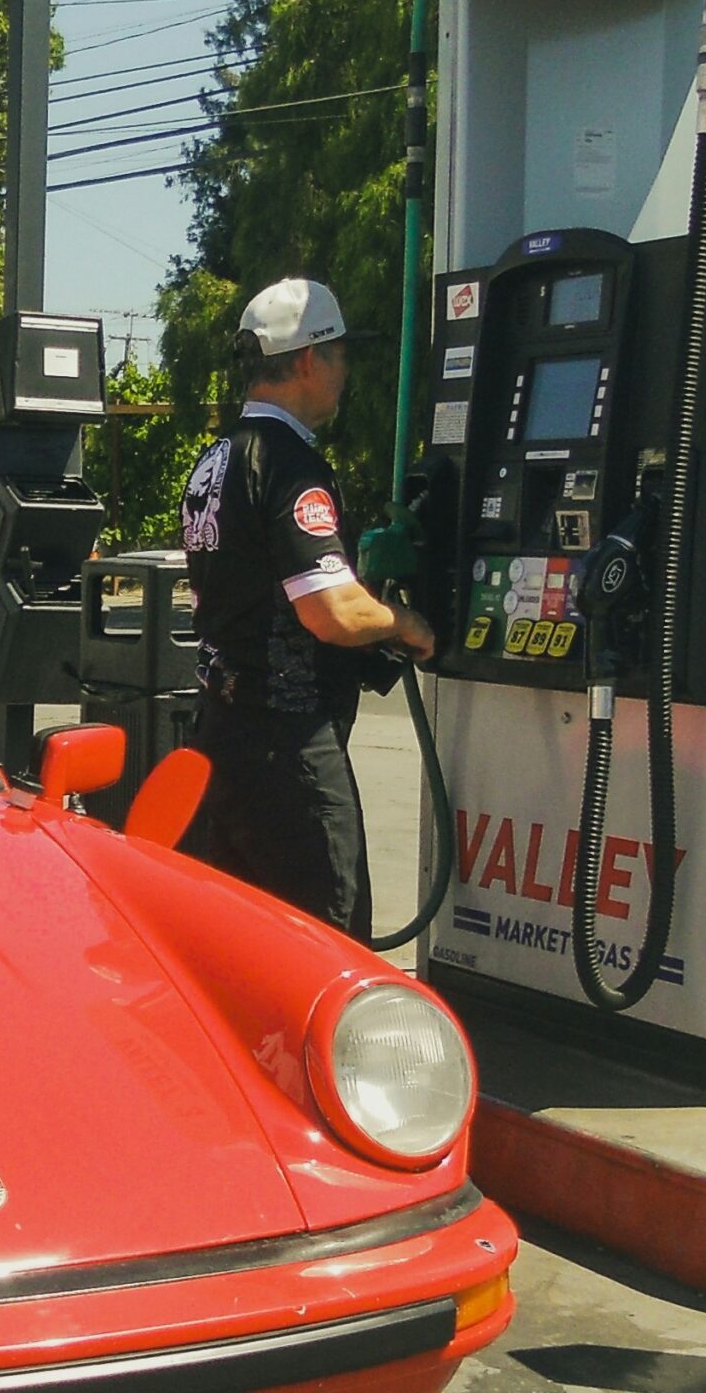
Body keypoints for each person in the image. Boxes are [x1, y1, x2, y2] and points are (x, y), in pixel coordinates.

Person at [178, 278, 436, 940]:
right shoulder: (290, 466)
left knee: (242, 943)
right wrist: (404, 624)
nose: (346, 373)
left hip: (220, 733)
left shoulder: (216, 458)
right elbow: (332, 613)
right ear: (305, 361)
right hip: (286, 744)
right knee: (330, 944)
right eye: (341, 356)